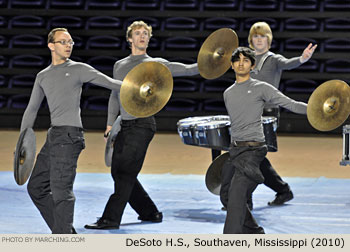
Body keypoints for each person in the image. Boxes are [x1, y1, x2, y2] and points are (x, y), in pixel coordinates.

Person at [84, 21, 199, 230]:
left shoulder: (156, 64)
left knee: (126, 172)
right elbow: (114, 95)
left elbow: (188, 70)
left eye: (145, 33)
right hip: (124, 124)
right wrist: (110, 124)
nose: (142, 36)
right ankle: (149, 212)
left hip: (143, 125)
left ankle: (110, 219)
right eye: (138, 33)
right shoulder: (119, 65)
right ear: (130, 39)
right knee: (118, 173)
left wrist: (213, 61)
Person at [21, 28, 123, 234]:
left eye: (71, 42)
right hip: (54, 136)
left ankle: (64, 237)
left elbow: (112, 84)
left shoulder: (79, 69)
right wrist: (21, 143)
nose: (68, 45)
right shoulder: (42, 76)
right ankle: (64, 232)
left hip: (69, 136)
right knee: (36, 187)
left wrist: (141, 86)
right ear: (51, 46)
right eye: (63, 42)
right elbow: (31, 109)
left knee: (61, 191)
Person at [221, 21, 317, 210]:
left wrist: (302, 59)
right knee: (255, 155)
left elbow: (289, 64)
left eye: (262, 36)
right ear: (251, 40)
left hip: (267, 113)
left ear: (269, 39)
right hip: (248, 112)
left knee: (252, 153)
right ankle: (279, 190)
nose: (259, 40)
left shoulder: (273, 59)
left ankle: (243, 199)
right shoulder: (244, 59)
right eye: (256, 36)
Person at [222, 47, 307, 234]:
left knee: (236, 200)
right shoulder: (228, 93)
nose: (241, 63)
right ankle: (255, 233)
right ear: (232, 65)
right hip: (235, 150)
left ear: (252, 66)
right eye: (237, 60)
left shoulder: (261, 88)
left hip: (253, 151)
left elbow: (290, 103)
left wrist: (316, 110)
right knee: (226, 195)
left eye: (246, 60)